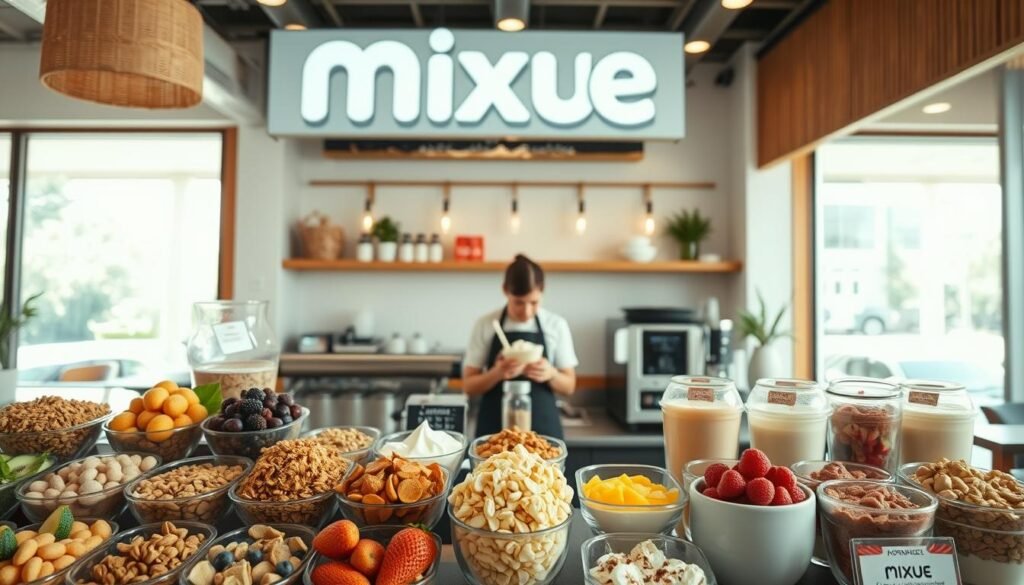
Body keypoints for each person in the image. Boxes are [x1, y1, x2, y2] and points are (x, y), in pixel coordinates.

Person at [462, 254, 578, 439]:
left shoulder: (556, 325)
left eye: (534, 302)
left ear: (542, 292)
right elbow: (468, 385)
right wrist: (497, 373)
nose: (527, 311)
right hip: (495, 433)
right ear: (505, 291)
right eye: (518, 303)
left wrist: (551, 374)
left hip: (543, 433)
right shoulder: (486, 324)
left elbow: (569, 386)